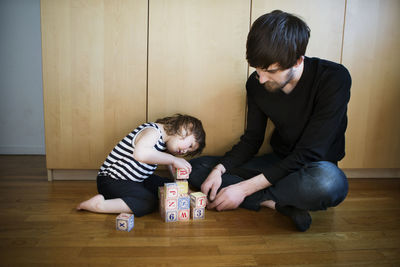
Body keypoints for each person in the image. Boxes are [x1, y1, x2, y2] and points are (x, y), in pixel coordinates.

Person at [189, 10, 351, 231]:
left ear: (297, 61)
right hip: (278, 162)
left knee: (329, 183)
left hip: (313, 169)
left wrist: (243, 190)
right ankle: (275, 203)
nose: (261, 78)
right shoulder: (256, 84)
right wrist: (219, 170)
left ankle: (256, 195)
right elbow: (252, 139)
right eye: (257, 69)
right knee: (195, 168)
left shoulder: (334, 78)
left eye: (271, 71)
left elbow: (310, 153)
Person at [77, 114, 206, 217]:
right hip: (112, 181)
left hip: (136, 179)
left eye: (189, 151)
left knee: (167, 185)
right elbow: (141, 154)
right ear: (185, 128)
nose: (185, 151)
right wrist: (173, 160)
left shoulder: (164, 144)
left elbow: (163, 160)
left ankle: (188, 195)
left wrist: (178, 181)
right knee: (148, 202)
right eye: (190, 146)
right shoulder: (153, 131)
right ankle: (99, 205)